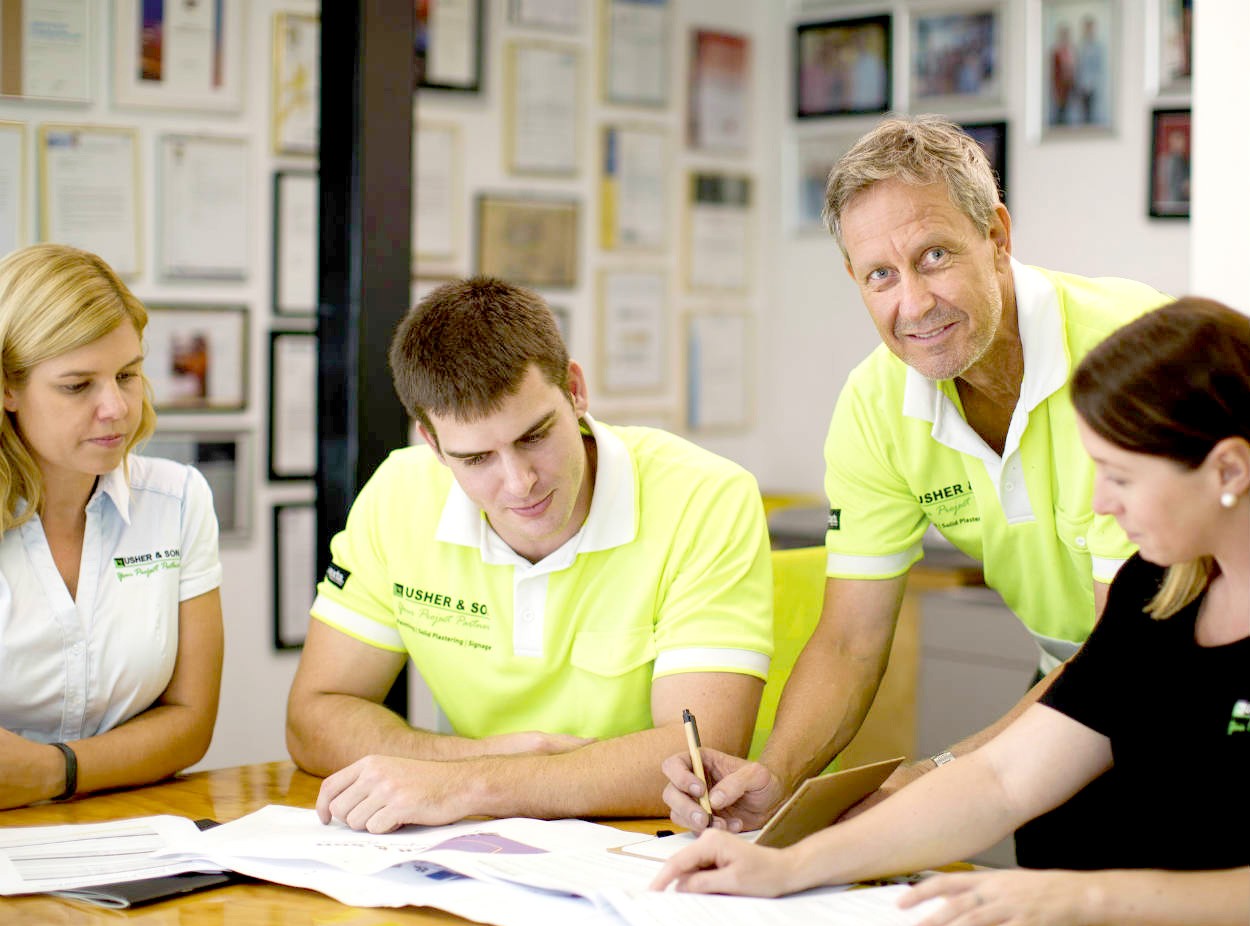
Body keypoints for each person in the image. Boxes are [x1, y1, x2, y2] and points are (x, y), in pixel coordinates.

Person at [652, 296, 1250, 926]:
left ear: (1228, 470)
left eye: (1121, 477)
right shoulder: (1155, 592)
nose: (1101, 503)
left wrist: (1081, 898)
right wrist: (789, 866)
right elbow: (999, 780)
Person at [660, 115, 1172, 870]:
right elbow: (851, 638)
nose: (914, 303)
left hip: (1183, 671)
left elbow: (1117, 651)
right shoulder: (874, 406)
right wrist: (778, 778)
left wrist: (936, 776)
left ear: (996, 236)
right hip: (1063, 674)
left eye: (934, 256)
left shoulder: (1128, 352)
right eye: (881, 275)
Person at [286, 276, 771, 833]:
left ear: (575, 390)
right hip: (486, 852)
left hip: (662, 844)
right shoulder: (397, 493)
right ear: (431, 441)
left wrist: (473, 784)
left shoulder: (707, 497)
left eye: (534, 436)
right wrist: (470, 761)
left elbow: (701, 755)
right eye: (476, 460)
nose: (519, 483)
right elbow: (313, 716)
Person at [0, 244, 224, 809]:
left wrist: (56, 771)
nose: (116, 408)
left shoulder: (176, 501)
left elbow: (190, 724)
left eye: (127, 375)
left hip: (134, 824)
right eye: (78, 385)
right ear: (8, 388)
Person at [1074, 16, 1106, 126]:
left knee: (1092, 111)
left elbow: (1098, 66)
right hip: (1082, 84)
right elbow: (1078, 66)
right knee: (1083, 112)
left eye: (1090, 27)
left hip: (1093, 84)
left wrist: (1093, 82)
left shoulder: (1097, 46)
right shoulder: (1080, 45)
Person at [1049, 23, 1076, 125]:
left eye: (1066, 34)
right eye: (1063, 34)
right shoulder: (1056, 52)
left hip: (1069, 85)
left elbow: (1073, 69)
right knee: (1060, 110)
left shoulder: (1072, 51)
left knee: (1068, 110)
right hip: (1059, 86)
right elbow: (1054, 72)